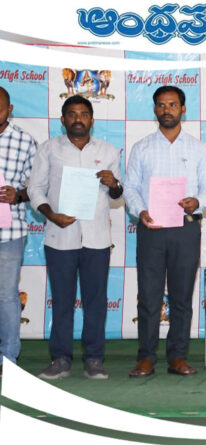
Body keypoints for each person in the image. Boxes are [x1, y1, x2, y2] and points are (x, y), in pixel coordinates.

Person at [123, 86, 206, 377]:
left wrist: (197, 202)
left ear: (183, 109)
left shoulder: (198, 148)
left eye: (173, 104)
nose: (167, 110)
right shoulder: (142, 148)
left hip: (185, 229)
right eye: (161, 105)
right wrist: (141, 210)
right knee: (149, 296)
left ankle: (177, 356)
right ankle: (146, 357)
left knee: (181, 296)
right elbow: (130, 187)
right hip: (152, 229)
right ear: (155, 110)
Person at [30, 95, 122, 380]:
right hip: (60, 236)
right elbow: (35, 189)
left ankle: (94, 359)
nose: (78, 119)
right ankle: (60, 359)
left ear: (92, 119)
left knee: (95, 302)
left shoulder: (108, 151)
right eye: (72, 114)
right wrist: (51, 214)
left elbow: (117, 194)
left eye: (83, 114)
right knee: (62, 301)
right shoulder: (48, 150)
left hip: (96, 238)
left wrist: (114, 184)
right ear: (63, 119)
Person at [0, 86, 38, 379]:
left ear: (10, 110)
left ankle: (8, 359)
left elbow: (37, 187)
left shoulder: (25, 141)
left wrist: (18, 195)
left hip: (9, 232)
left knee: (6, 296)